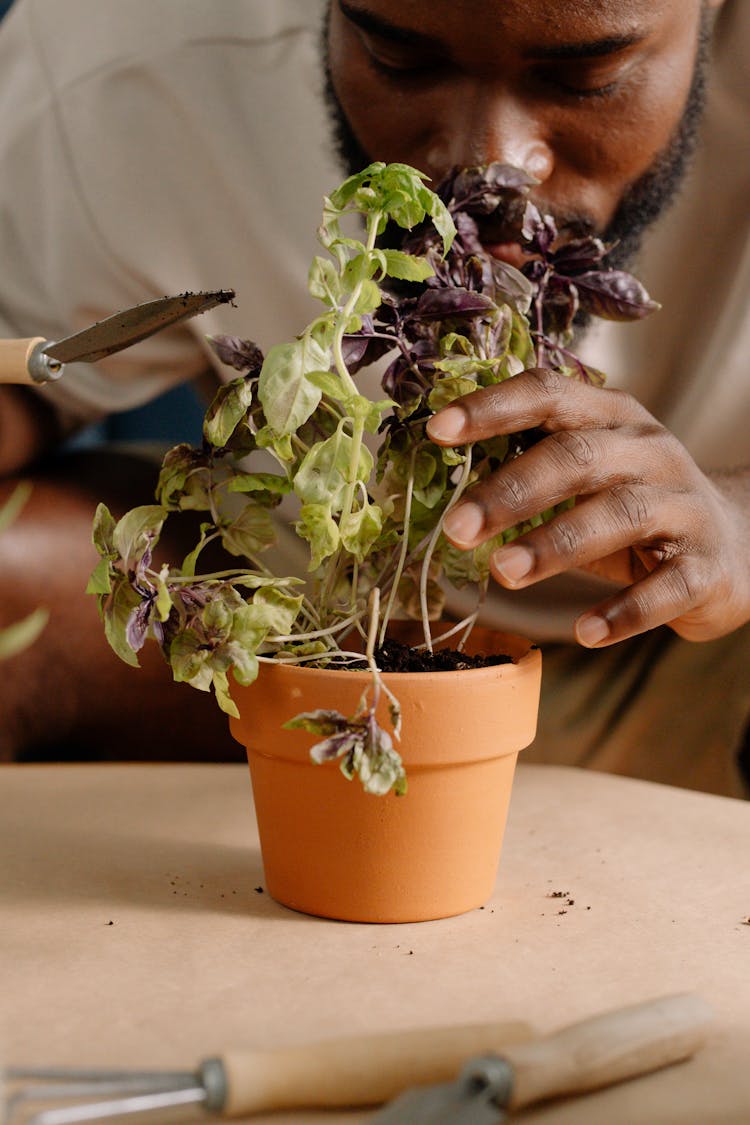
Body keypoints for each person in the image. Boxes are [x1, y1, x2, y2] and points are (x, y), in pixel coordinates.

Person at [0, 0, 747, 794]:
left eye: (585, 77)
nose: (491, 161)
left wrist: (737, 526)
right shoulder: (125, 56)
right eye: (400, 60)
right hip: (308, 630)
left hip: (705, 664)